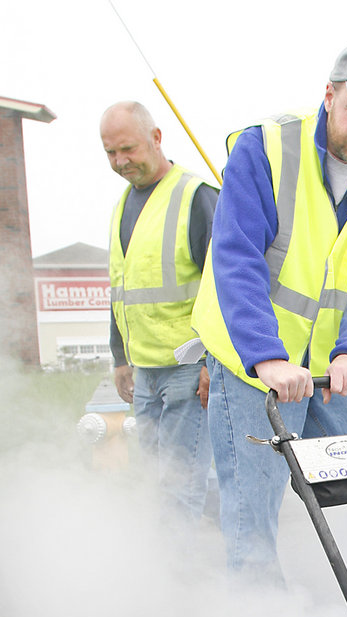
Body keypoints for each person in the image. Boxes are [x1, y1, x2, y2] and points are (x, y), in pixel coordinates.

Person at [191, 40, 347, 578]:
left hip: (329, 368)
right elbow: (237, 255)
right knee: (253, 517)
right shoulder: (264, 149)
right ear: (330, 96)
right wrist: (265, 357)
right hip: (254, 364)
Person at [100, 100, 218, 519]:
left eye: (128, 149)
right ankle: (161, 567)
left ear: (156, 138)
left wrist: (212, 363)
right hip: (145, 371)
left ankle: (179, 579)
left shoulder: (196, 197)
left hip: (189, 369)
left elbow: (224, 287)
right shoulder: (123, 206)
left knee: (181, 484)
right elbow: (122, 290)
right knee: (154, 481)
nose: (120, 161)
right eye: (110, 152)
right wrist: (120, 358)